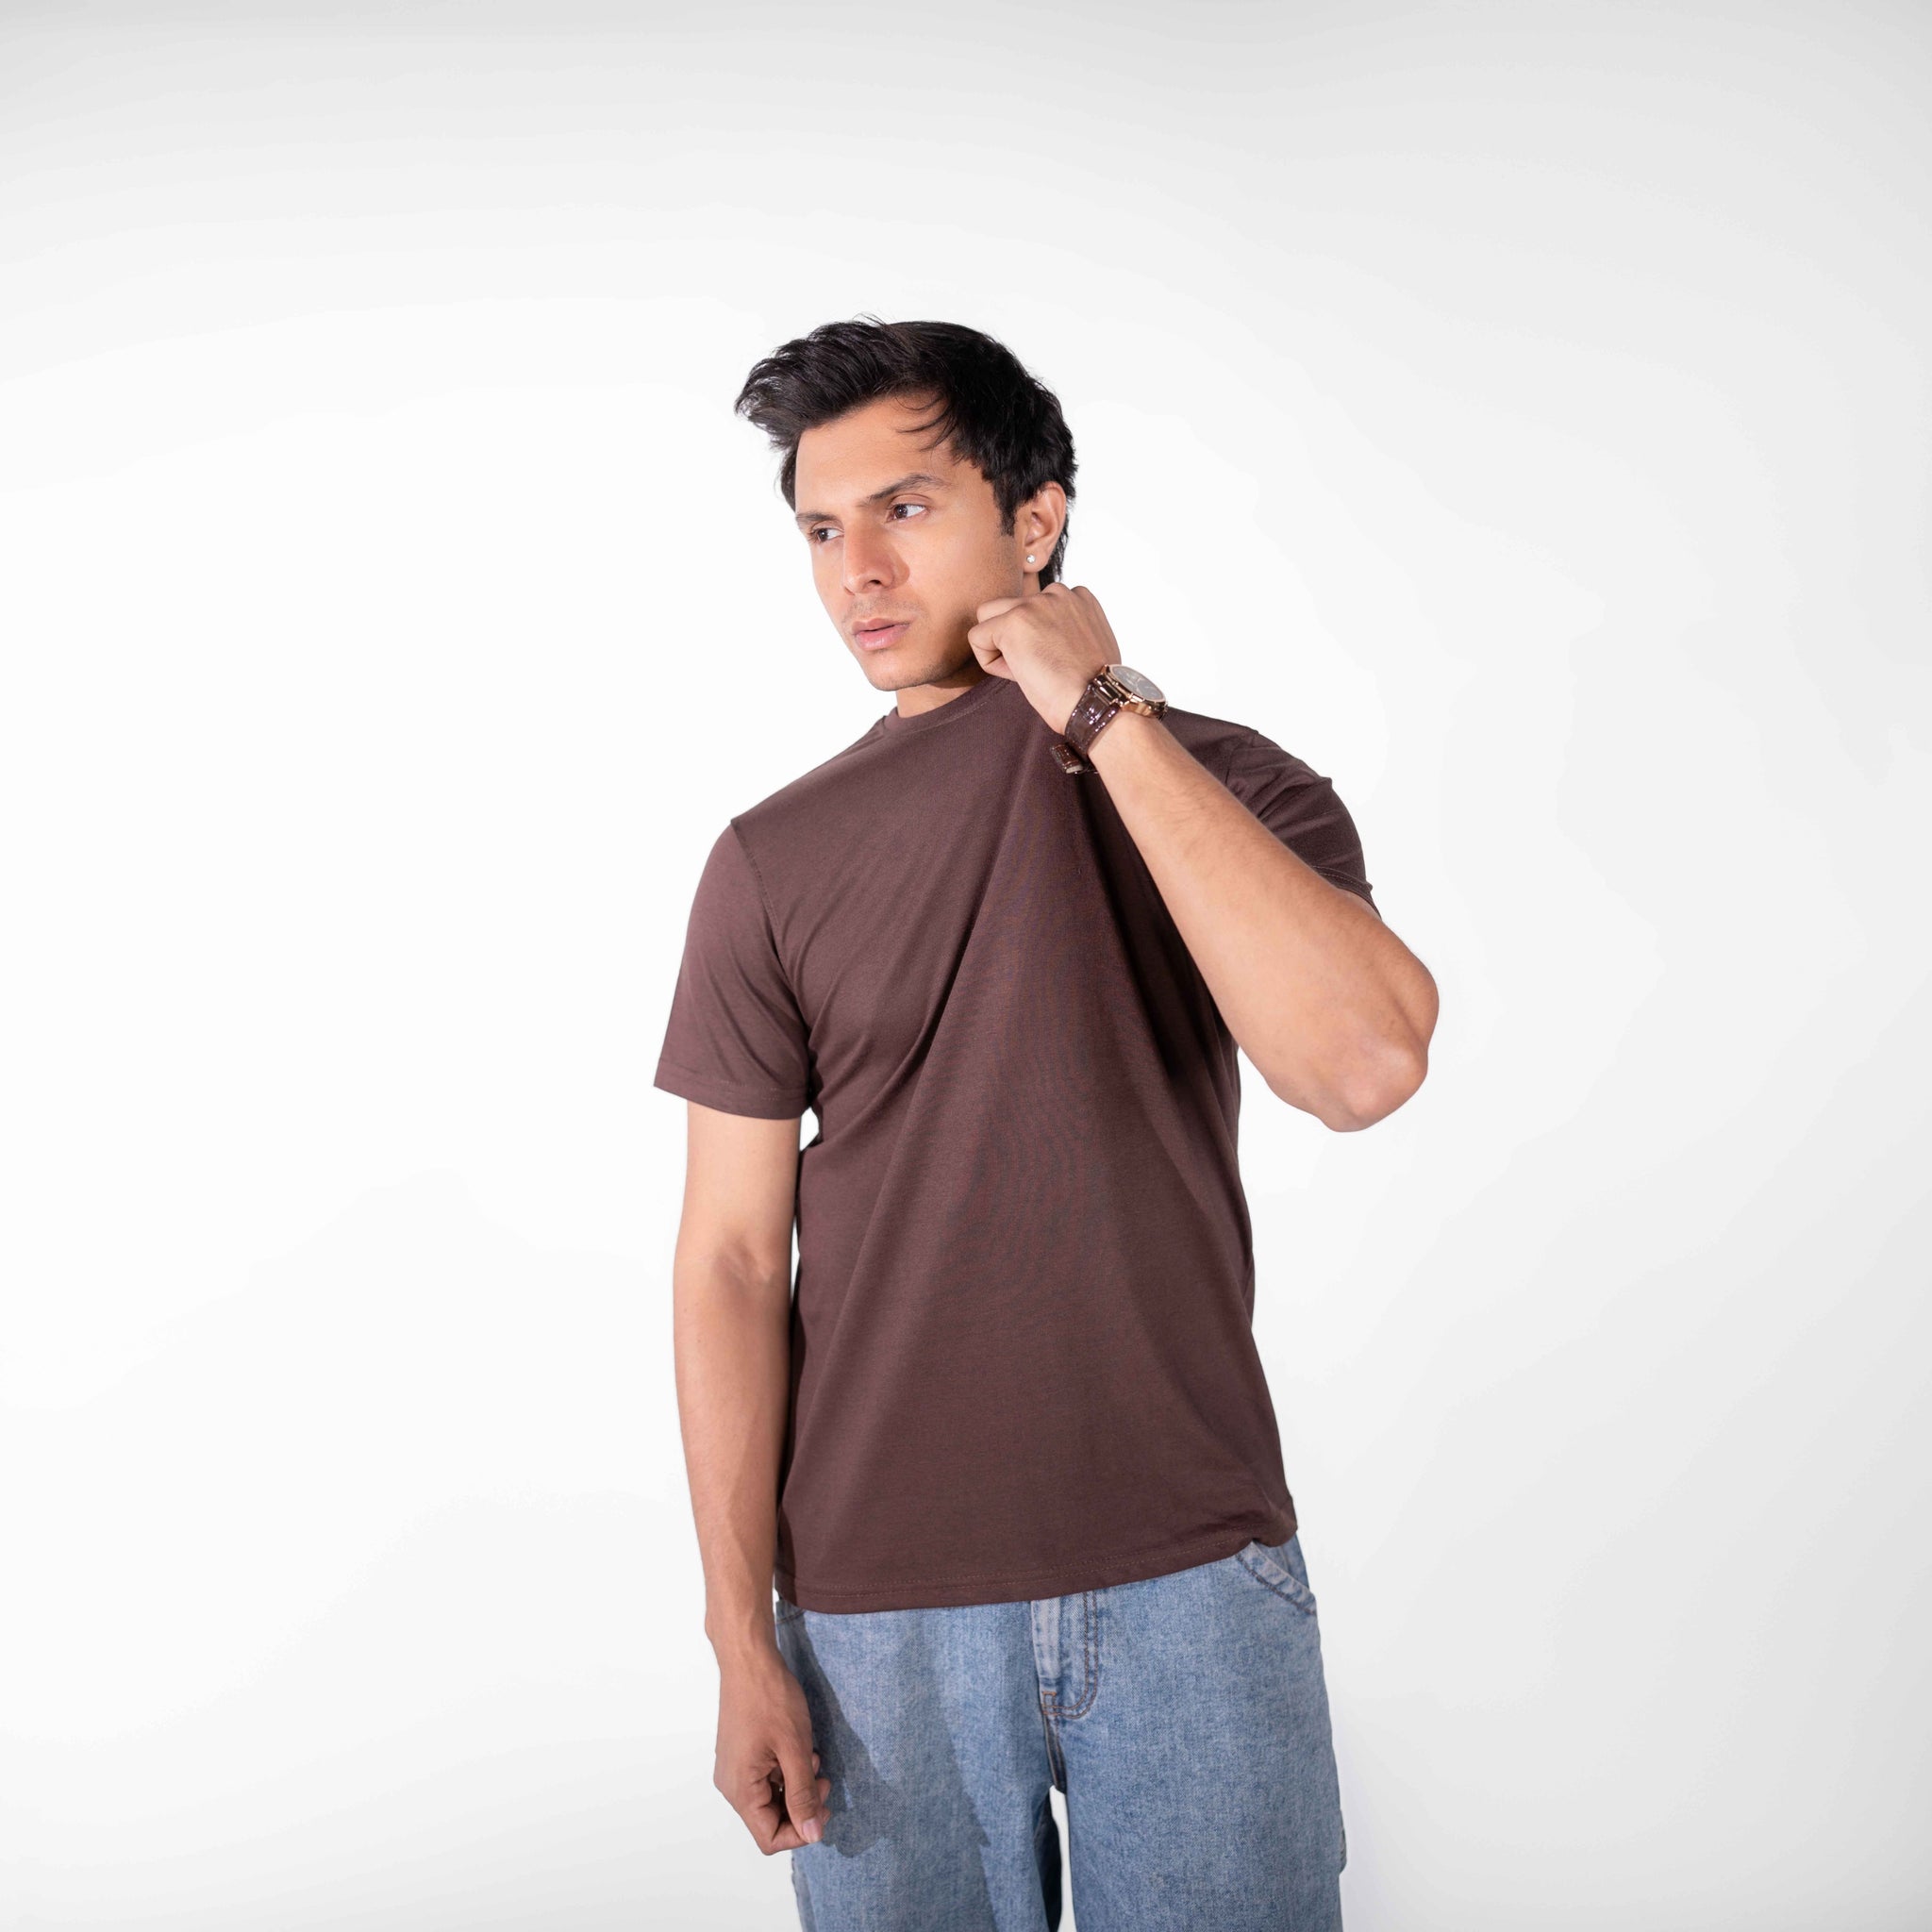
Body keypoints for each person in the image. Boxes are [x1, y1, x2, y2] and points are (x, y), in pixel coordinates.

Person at [654, 315, 1438, 1930]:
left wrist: (1102, 709)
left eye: (906, 507)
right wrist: (741, 1641)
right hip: (875, 1614)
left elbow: (1362, 1066)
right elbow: (729, 1261)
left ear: (1037, 519)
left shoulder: (1226, 788)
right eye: (821, 529)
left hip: (1191, 1576)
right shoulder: (770, 862)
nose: (859, 570)